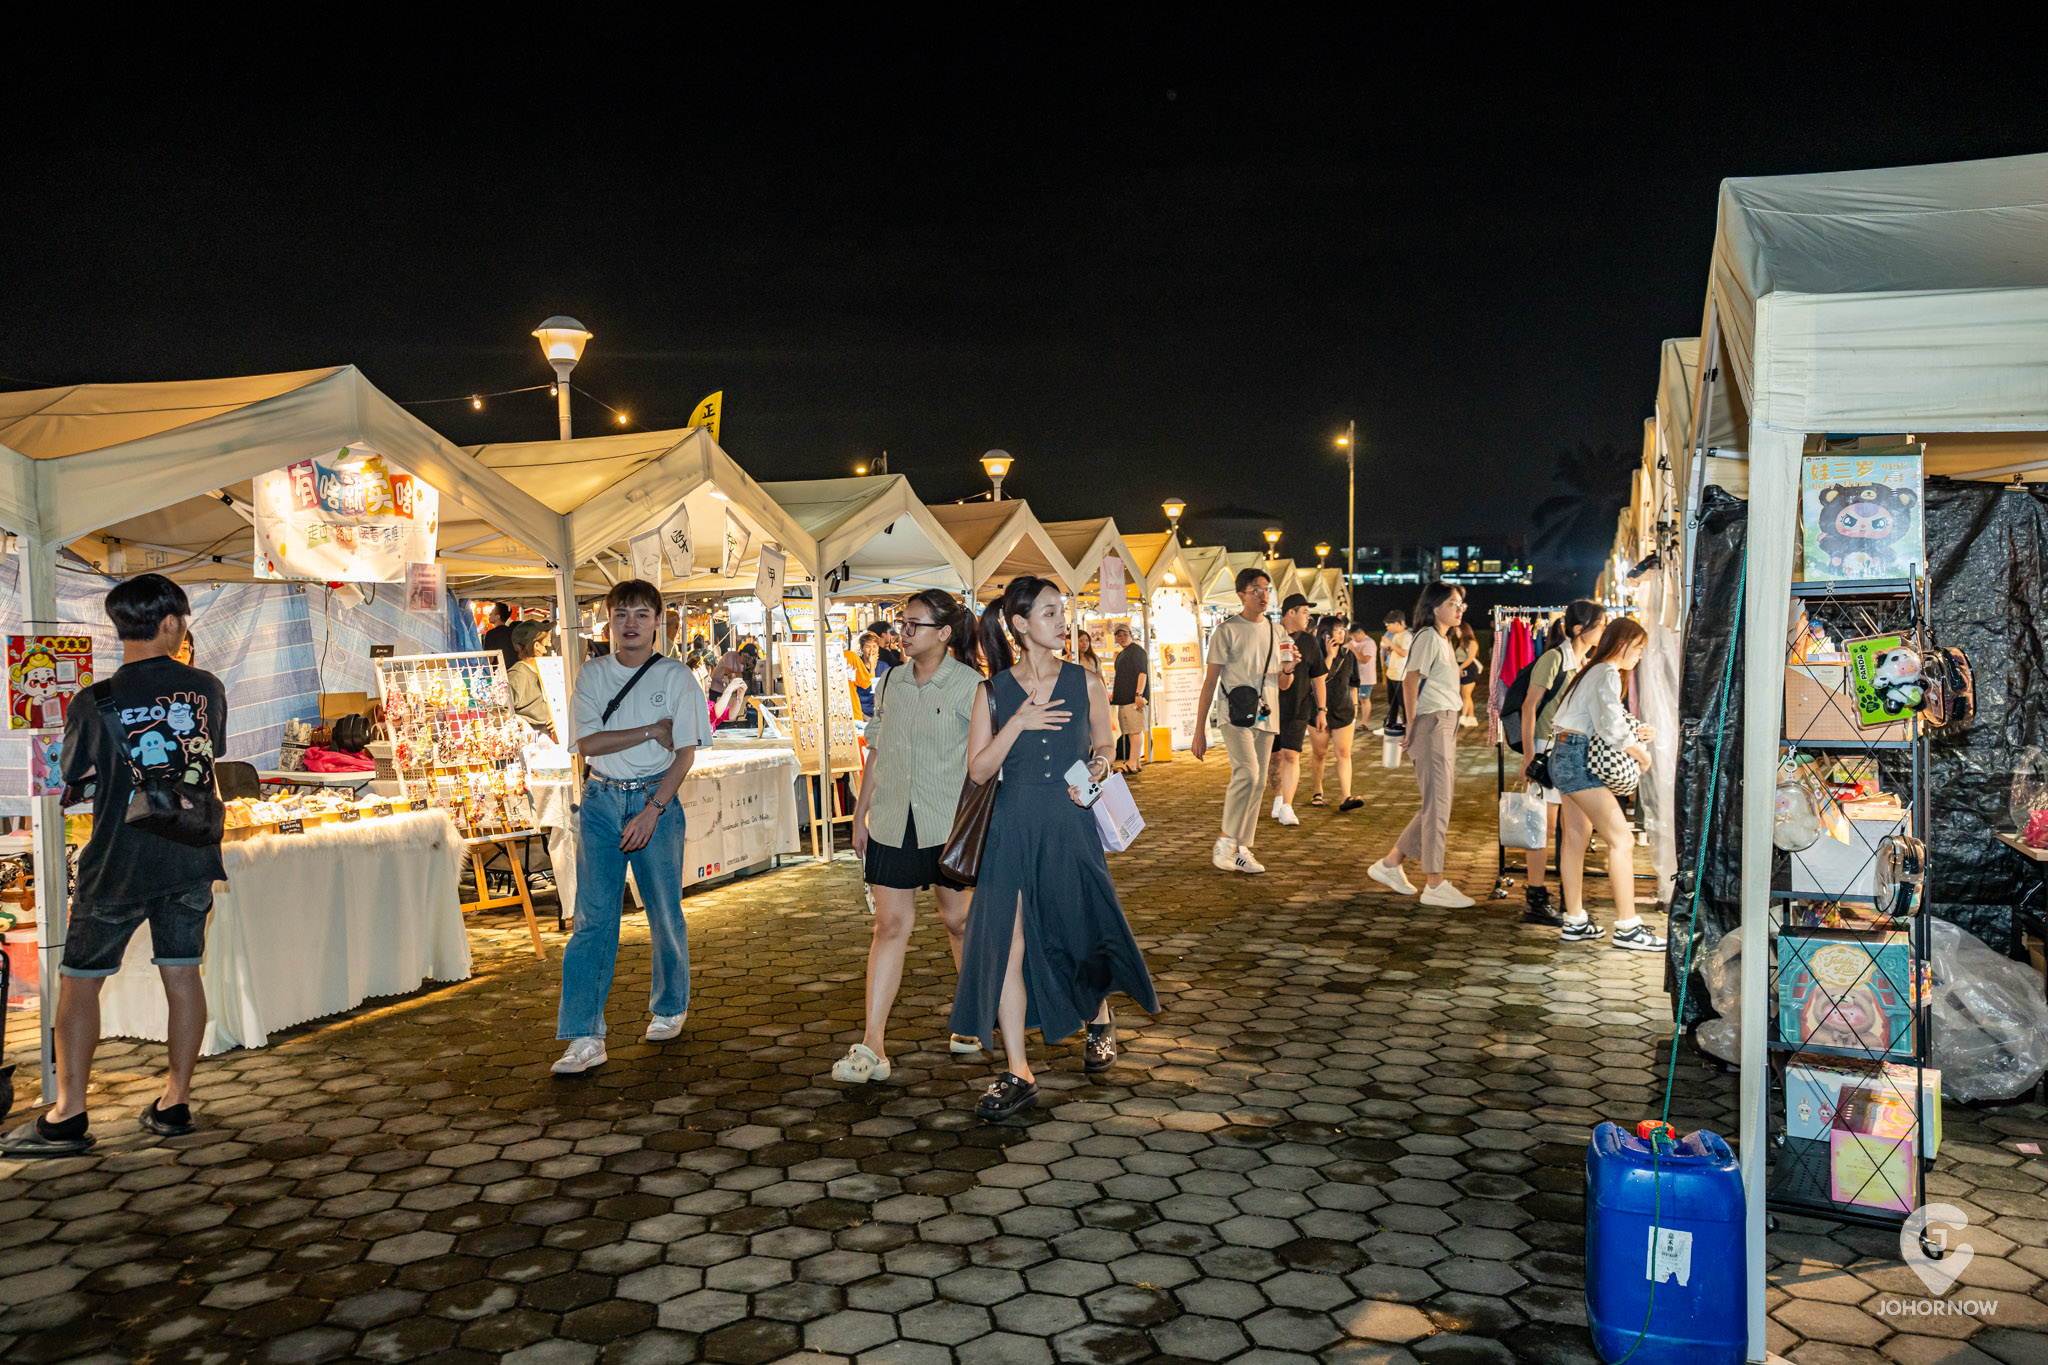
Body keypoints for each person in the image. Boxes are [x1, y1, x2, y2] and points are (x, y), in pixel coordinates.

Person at [1, 574, 227, 1156]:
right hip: (189, 855)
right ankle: (175, 1102)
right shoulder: (206, 688)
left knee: (80, 981)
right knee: (183, 975)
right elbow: (209, 753)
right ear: (170, 623)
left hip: (115, 860)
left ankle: (68, 1114)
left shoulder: (92, 701)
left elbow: (73, 772)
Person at [950, 578, 1159, 1119]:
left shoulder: (1085, 680)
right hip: (1011, 828)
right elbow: (978, 770)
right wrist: (1018, 721)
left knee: (1077, 927)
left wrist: (1096, 767)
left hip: (1070, 824)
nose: (1062, 621)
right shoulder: (992, 691)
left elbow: (1106, 744)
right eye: (1049, 612)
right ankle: (1018, 1071)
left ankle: (1099, 1016)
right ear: (1020, 625)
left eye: (1061, 611)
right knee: (1007, 945)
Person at [551, 579, 714, 1075]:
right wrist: (649, 731)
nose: (630, 623)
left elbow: (684, 753)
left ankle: (670, 1006)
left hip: (654, 800)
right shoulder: (593, 673)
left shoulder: (677, 676)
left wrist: (653, 809)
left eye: (642, 614)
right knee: (593, 920)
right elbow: (588, 744)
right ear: (608, 620)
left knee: (664, 911)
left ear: (657, 622)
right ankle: (584, 1035)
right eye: (621, 614)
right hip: (600, 800)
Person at [838, 589, 984, 1083]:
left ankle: (970, 1019)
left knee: (958, 921)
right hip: (892, 820)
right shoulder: (890, 682)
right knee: (889, 926)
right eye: (903, 623)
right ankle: (872, 1045)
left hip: (948, 823)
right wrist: (861, 813)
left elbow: (983, 762)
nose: (903, 632)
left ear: (944, 633)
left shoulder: (970, 686)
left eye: (915, 625)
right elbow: (878, 749)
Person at [1547, 618, 1666, 951]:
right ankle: (1628, 927)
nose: (1639, 656)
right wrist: (1641, 755)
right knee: (1622, 840)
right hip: (1577, 760)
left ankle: (1575, 920)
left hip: (1564, 755)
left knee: (1575, 839)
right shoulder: (1607, 672)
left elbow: (1601, 719)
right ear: (1622, 644)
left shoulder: (1593, 671)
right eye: (1638, 648)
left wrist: (1636, 732)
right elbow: (1610, 725)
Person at [1368, 584, 1473, 908]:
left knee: (1437, 802)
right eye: (1453, 603)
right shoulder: (1428, 636)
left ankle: (1390, 864)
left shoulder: (1442, 638)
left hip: (1443, 722)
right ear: (1435, 607)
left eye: (1462, 603)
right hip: (1431, 724)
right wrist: (1412, 722)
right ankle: (1434, 883)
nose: (1460, 608)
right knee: (1437, 804)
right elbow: (1411, 679)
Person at [1192, 566, 1293, 874]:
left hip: (1267, 714)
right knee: (1247, 773)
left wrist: (1289, 669)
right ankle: (1225, 841)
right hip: (1234, 713)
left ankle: (1242, 848)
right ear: (1241, 595)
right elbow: (1210, 682)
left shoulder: (1278, 631)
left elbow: (1285, 683)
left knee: (1259, 782)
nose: (1263, 596)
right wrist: (1199, 730)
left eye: (1267, 590)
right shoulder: (1227, 631)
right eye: (1256, 590)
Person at [1518, 601, 1607, 927]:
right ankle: (1536, 897)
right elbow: (1529, 707)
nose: (1604, 630)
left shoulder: (1584, 662)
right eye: (1600, 625)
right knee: (1542, 825)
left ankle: (1570, 900)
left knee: (1574, 828)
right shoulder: (1554, 659)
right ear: (1580, 629)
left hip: (1571, 753)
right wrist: (1528, 756)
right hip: (1546, 751)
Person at [1268, 594, 1327, 826]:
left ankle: (1287, 806)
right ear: (1290, 612)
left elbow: (1318, 678)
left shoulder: (1309, 641)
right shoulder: (1270, 636)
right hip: (1269, 707)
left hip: (1298, 706)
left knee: (1291, 755)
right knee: (1274, 757)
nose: (1308, 617)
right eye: (1304, 612)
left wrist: (1321, 710)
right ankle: (1279, 796)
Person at [1312, 617, 1362, 811]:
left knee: (1343, 752)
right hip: (1317, 711)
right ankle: (1318, 790)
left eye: (1343, 629)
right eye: (1337, 630)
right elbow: (1319, 680)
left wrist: (1355, 706)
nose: (1342, 633)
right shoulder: (1314, 655)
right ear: (1325, 633)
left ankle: (1346, 796)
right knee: (1320, 753)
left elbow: (1354, 683)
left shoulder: (1348, 655)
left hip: (1343, 710)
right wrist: (1330, 657)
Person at [1109, 625, 1149, 773]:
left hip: (1134, 698)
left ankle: (1131, 764)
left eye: (1125, 635)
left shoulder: (1137, 651)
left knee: (1135, 731)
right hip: (1124, 698)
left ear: (1131, 635)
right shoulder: (1121, 654)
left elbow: (1142, 674)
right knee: (1131, 731)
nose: (1122, 638)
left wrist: (1139, 694)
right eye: (1119, 636)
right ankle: (1136, 762)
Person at [508, 620, 555, 734]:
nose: (549, 646)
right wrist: (522, 723)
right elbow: (499, 709)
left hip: (547, 732)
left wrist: (556, 717)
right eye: (547, 642)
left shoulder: (542, 669)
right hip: (529, 736)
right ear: (537, 646)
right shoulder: (517, 674)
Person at [1380, 610, 1411, 734]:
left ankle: (1408, 726)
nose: (1387, 628)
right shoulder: (1396, 635)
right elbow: (1396, 651)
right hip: (1392, 674)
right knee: (1392, 702)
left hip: (1400, 675)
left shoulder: (1406, 636)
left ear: (1398, 623)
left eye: (1388, 625)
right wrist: (1388, 648)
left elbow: (1404, 653)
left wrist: (1389, 643)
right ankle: (1392, 725)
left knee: (1403, 703)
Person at [1452, 622, 1481, 729]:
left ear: (1464, 630)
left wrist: (1460, 668)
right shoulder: (1458, 643)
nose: (1457, 632)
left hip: (1469, 669)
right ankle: (1472, 718)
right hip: (1460, 669)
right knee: (1465, 695)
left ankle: (1463, 717)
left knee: (1466, 694)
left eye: (1458, 630)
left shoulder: (1472, 643)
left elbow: (1470, 659)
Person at [1350, 622, 1377, 734]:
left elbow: (1364, 660)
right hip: (1354, 676)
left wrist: (1353, 649)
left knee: (1364, 699)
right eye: (1352, 637)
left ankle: (1364, 724)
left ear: (1361, 633)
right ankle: (1351, 722)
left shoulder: (1369, 643)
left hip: (1366, 677)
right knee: (1353, 700)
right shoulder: (1353, 642)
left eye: (1355, 636)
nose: (1354, 639)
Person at [847, 632, 881, 718]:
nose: (872, 650)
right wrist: (872, 664)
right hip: (863, 712)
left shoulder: (884, 666)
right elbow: (868, 684)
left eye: (874, 646)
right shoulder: (857, 664)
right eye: (868, 647)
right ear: (861, 649)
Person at [482, 601, 517, 673]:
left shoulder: (491, 634)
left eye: (491, 613)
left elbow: (490, 659)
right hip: (514, 670)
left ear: (497, 617)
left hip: (499, 673)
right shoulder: (513, 632)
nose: (489, 614)